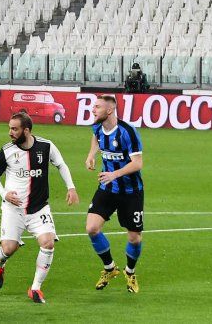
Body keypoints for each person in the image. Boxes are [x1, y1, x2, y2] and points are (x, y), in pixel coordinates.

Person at [0, 112, 79, 304]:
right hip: (13, 209)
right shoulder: (6, 151)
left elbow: (61, 165)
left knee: (48, 243)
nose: (10, 133)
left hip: (39, 208)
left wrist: (71, 187)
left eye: (14, 129)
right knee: (8, 248)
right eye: (9, 128)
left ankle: (35, 288)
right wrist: (5, 193)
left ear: (26, 130)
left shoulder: (46, 146)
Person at [85, 95, 144, 294]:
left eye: (97, 107)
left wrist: (114, 174)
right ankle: (110, 268)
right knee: (92, 228)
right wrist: (91, 155)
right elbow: (96, 137)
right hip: (107, 189)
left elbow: (137, 163)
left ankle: (130, 271)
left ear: (109, 110)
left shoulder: (128, 132)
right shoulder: (97, 126)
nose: (93, 110)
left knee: (134, 238)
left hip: (130, 191)